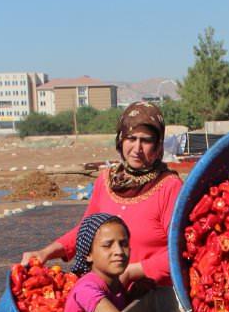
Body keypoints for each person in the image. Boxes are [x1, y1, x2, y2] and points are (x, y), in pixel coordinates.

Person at [21, 102, 182, 291]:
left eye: (146, 140)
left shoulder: (170, 187)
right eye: (131, 138)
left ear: (158, 145)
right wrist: (46, 252)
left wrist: (131, 272)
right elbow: (86, 231)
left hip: (149, 296)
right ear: (120, 139)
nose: (137, 148)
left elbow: (180, 250)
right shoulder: (106, 180)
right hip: (104, 292)